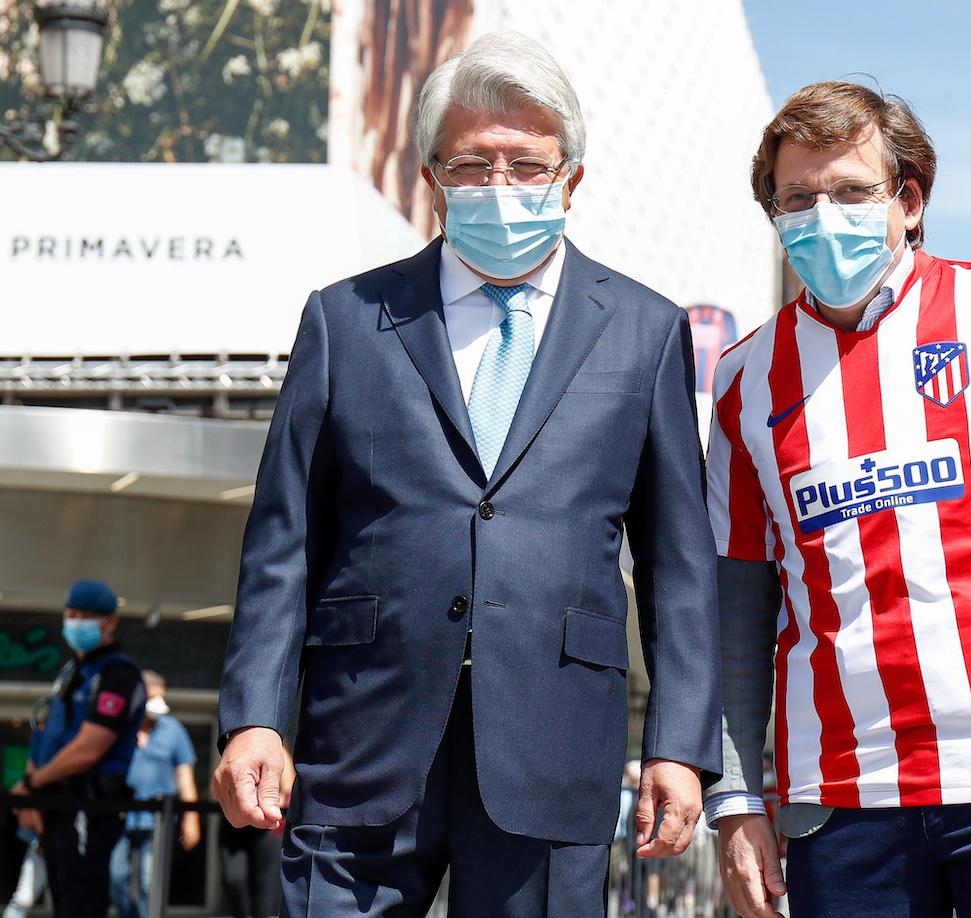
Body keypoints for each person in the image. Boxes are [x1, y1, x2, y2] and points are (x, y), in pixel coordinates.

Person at [212, 31, 721, 918]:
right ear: (431, 178)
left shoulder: (645, 331)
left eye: (526, 164)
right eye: (472, 165)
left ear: (572, 179)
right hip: (361, 739)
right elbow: (283, 541)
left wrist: (680, 743)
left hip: (552, 744)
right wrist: (255, 712)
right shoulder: (344, 319)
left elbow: (679, 565)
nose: (500, 187)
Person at [705, 80, 971, 917]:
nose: (825, 216)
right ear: (776, 216)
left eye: (853, 192)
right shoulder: (742, 380)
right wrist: (739, 799)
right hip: (838, 806)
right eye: (800, 198)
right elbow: (737, 609)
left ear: (909, 201)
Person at [11, 579, 146, 918]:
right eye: (71, 613)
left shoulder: (118, 673)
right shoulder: (73, 671)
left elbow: (89, 748)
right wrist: (33, 793)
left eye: (85, 616)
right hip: (57, 804)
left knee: (80, 904)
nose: (75, 622)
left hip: (88, 804)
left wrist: (32, 784)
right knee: (64, 901)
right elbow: (46, 734)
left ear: (110, 622)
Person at [109, 671, 200, 918]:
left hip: (157, 822)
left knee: (150, 881)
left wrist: (191, 819)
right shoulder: (120, 727)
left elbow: (185, 777)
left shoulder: (173, 730)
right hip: (120, 818)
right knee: (116, 878)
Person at [217, 746, 292, 918]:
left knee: (265, 890)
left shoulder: (276, 748)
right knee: (233, 880)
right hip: (235, 825)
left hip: (267, 827)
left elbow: (288, 790)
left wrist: (262, 801)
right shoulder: (233, 748)